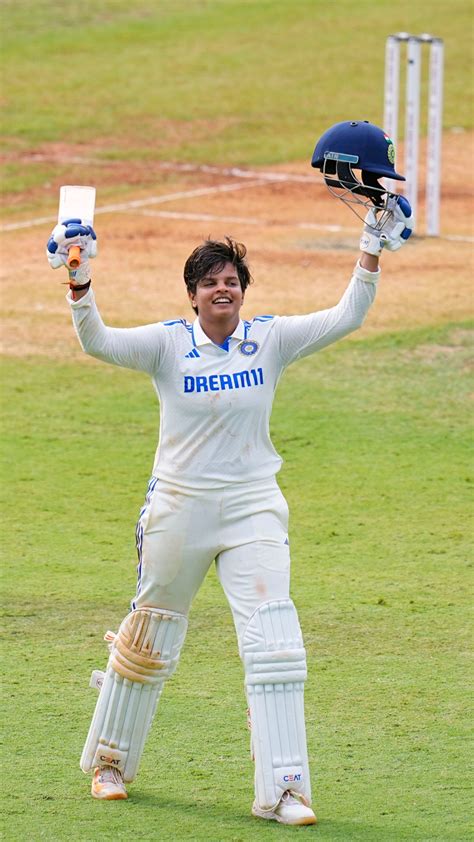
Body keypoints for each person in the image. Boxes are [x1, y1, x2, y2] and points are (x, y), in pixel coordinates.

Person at [46, 138, 412, 826]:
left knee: (276, 643)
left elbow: (348, 315)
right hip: (179, 506)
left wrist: (371, 246)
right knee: (150, 634)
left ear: (243, 291)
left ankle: (285, 791)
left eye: (232, 281)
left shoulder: (270, 340)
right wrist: (79, 280)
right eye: (211, 282)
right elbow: (97, 342)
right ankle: (110, 763)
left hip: (252, 509)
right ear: (192, 294)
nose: (223, 289)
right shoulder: (166, 344)